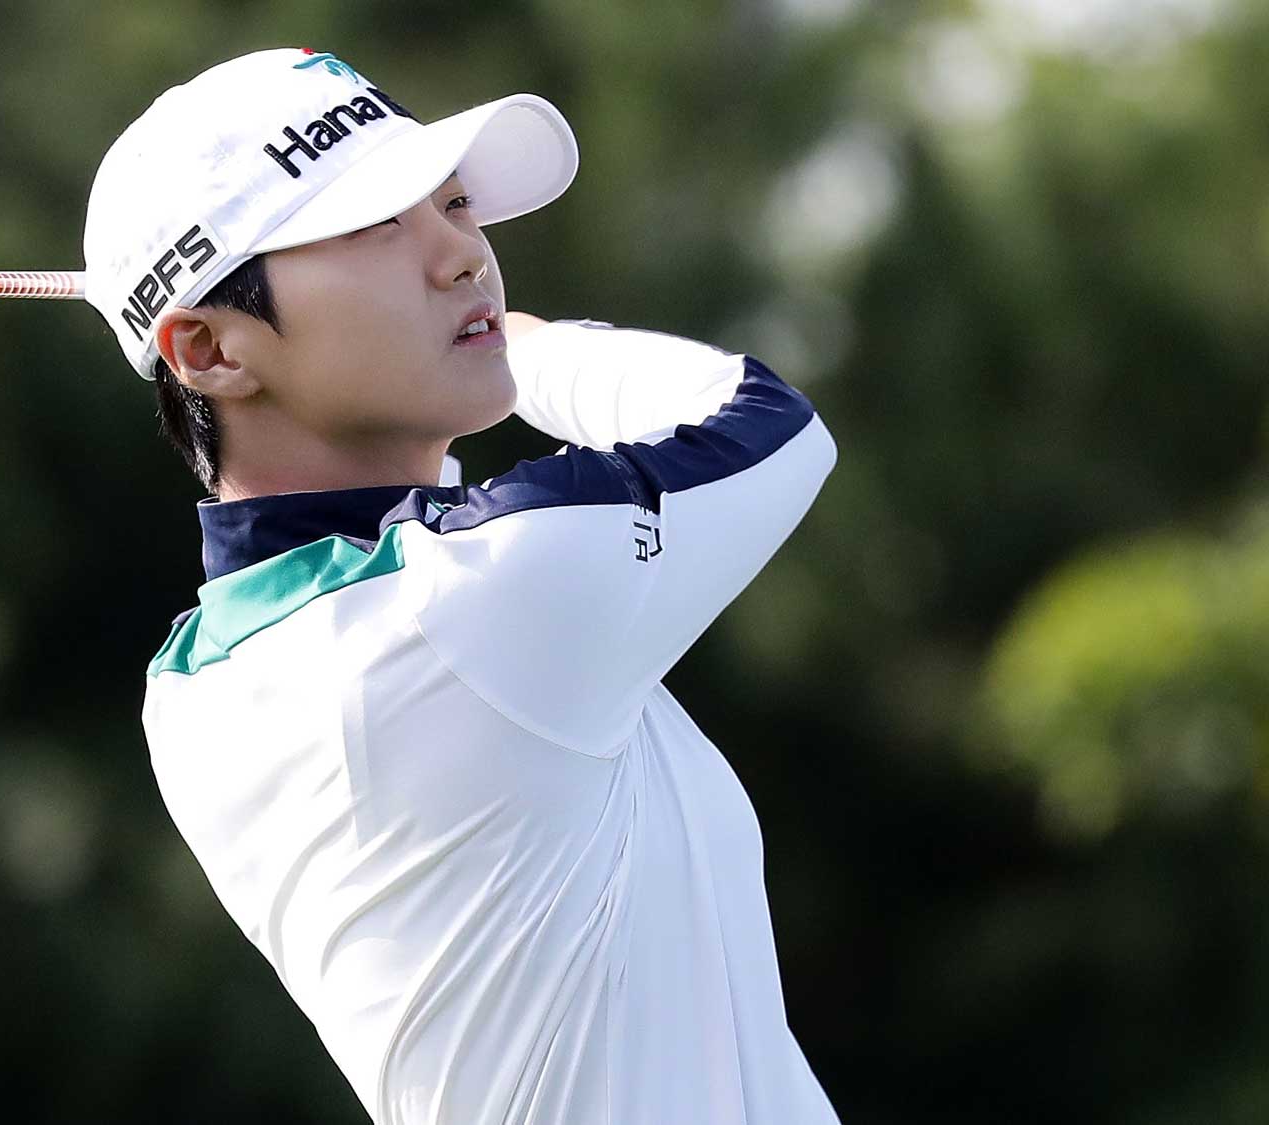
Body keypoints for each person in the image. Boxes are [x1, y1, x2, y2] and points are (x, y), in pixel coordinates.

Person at [82, 47, 842, 1124]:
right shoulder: (474, 601)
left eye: (450, 203)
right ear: (206, 347)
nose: (463, 258)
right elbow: (768, 428)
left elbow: (408, 518)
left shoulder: (197, 679)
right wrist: (528, 350)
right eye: (375, 227)